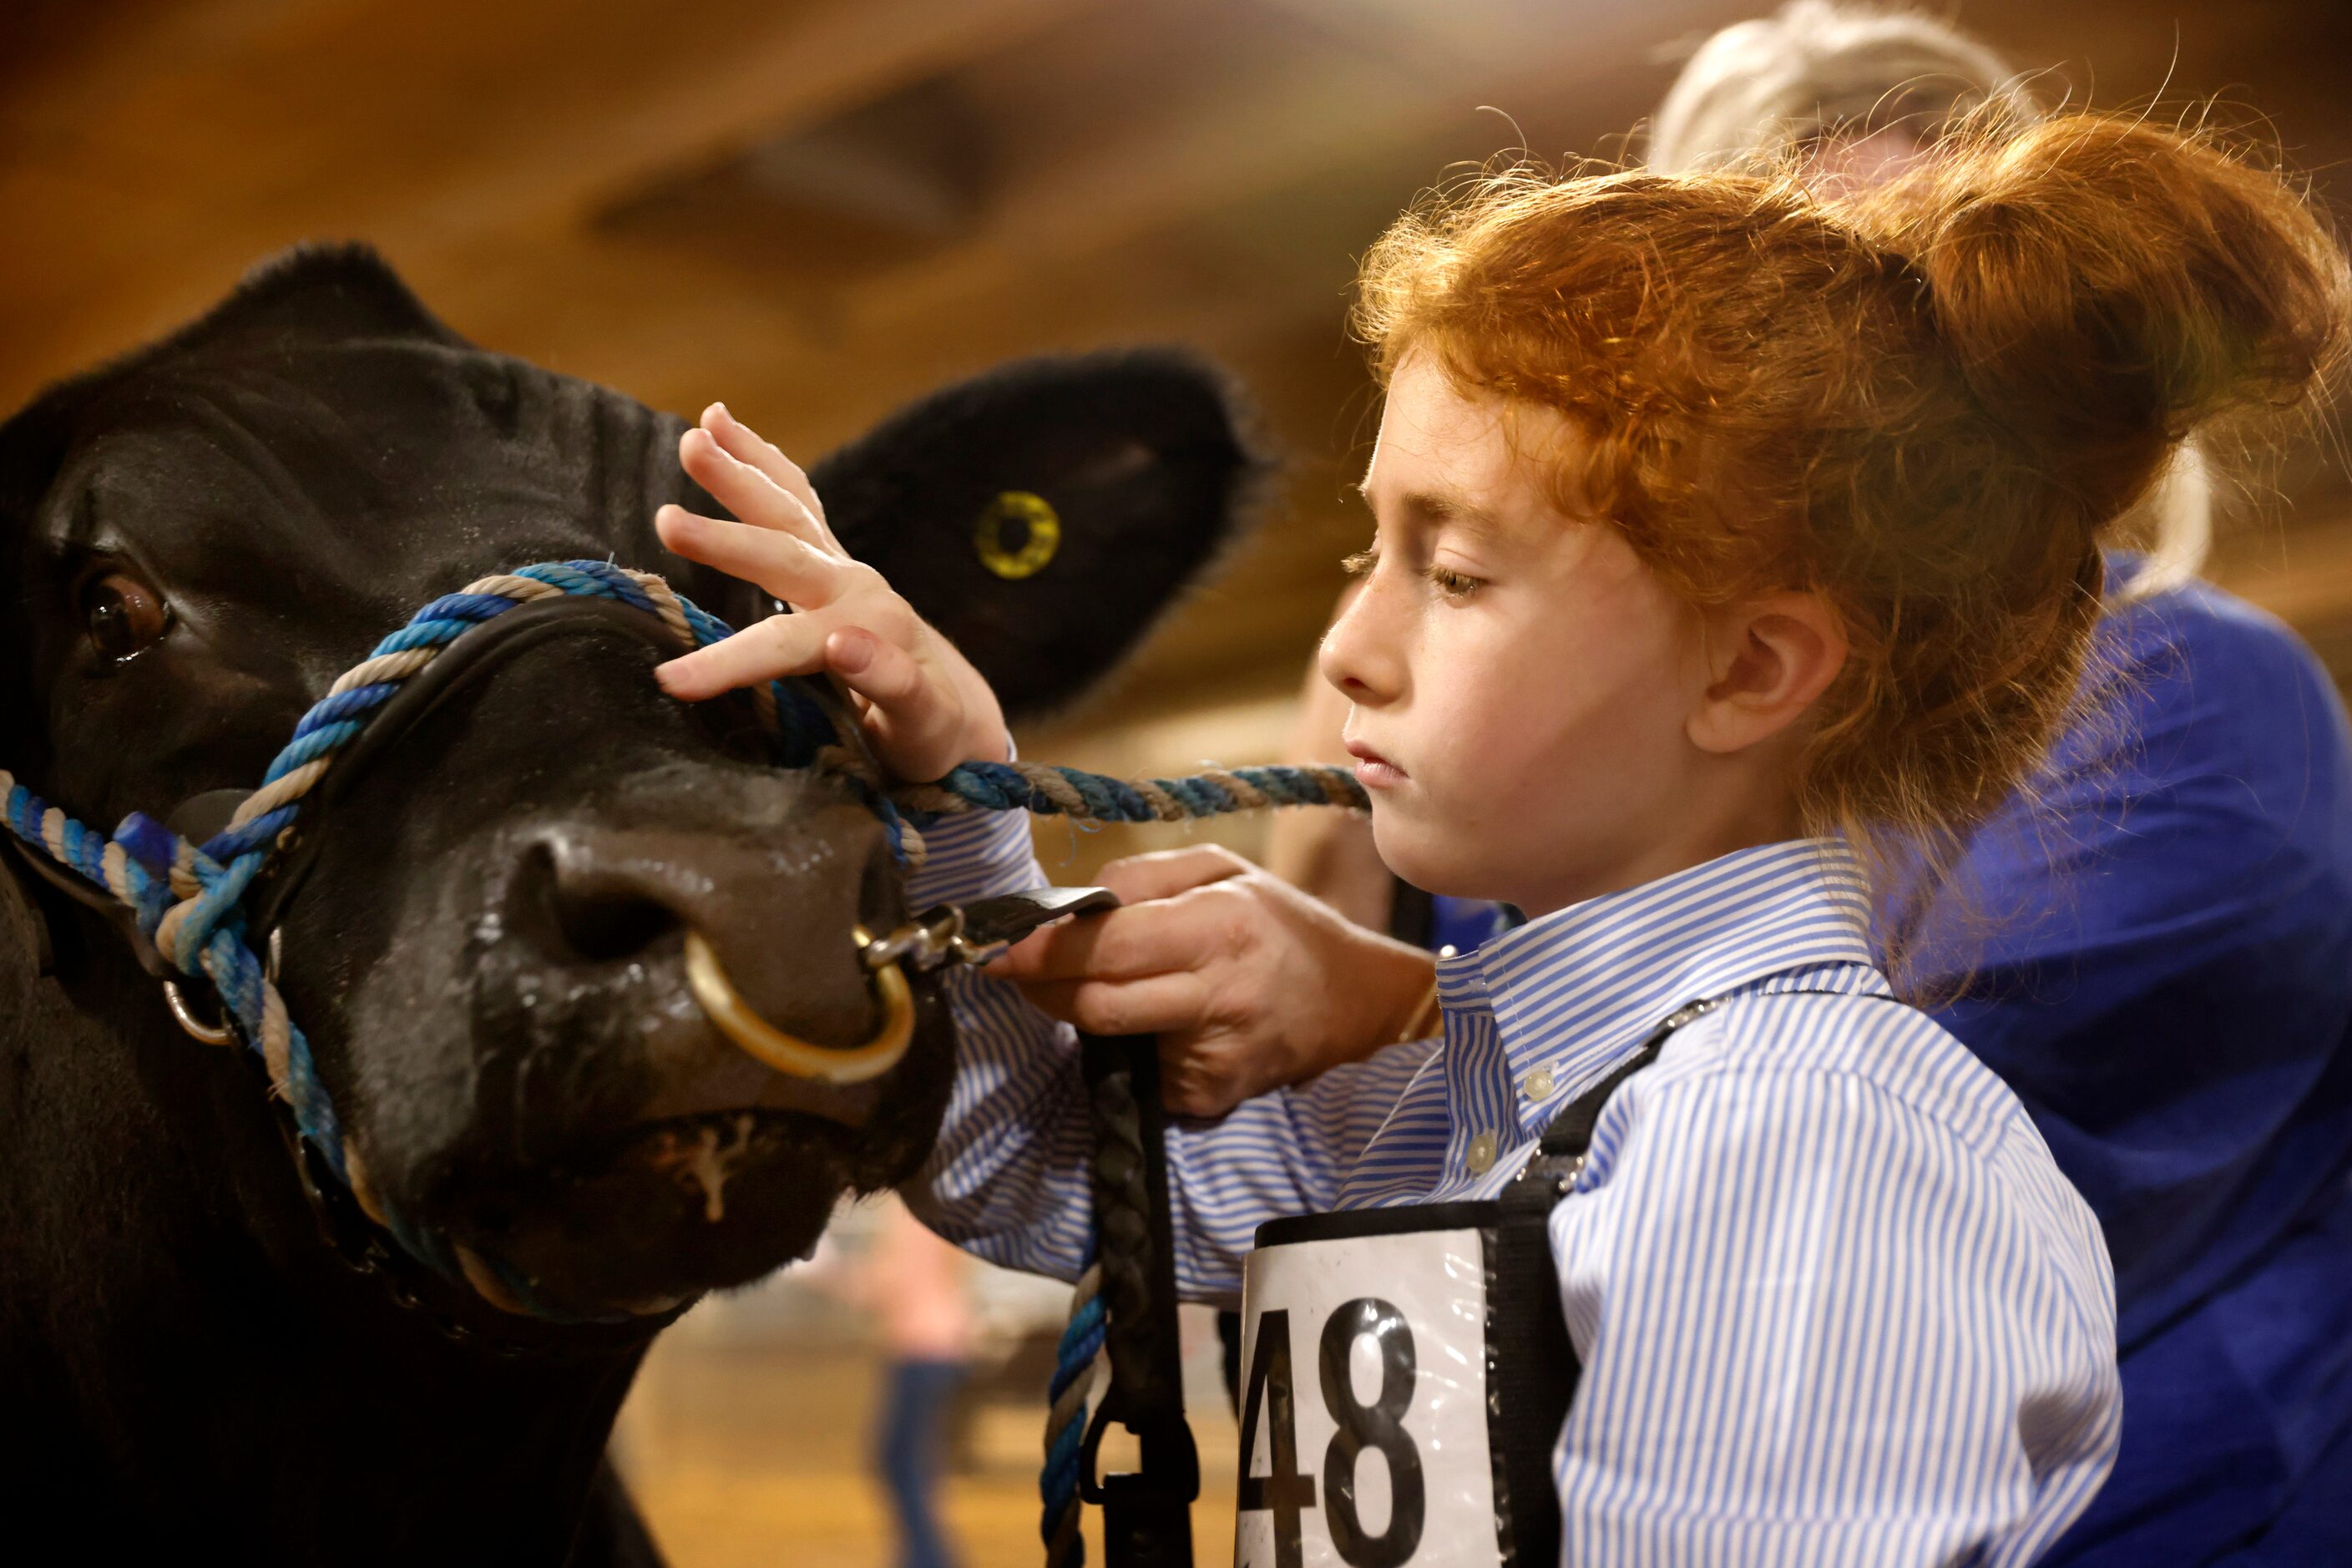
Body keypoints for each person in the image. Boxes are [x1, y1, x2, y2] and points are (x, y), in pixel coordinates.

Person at [650, 109, 2346, 1561]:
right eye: (1366, 555)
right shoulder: (1479, 1097)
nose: (1347, 651)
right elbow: (1036, 1163)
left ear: (1748, 669)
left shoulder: (1804, 1146)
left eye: (1450, 574)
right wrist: (953, 788)